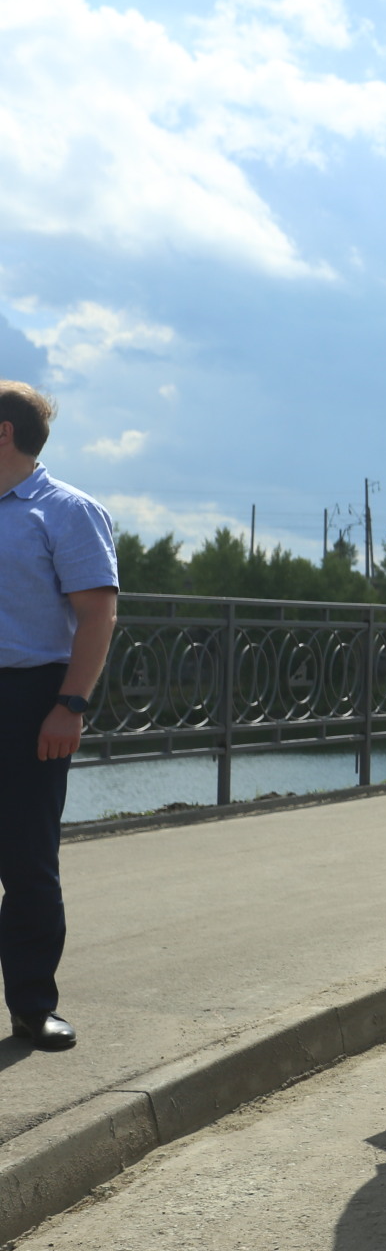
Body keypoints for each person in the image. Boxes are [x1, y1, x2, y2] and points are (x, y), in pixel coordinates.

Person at [0, 381, 116, 1053]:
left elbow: (98, 615)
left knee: (26, 862)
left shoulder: (67, 511)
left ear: (4, 433)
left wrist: (70, 704)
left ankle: (32, 1008)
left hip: (30, 699)